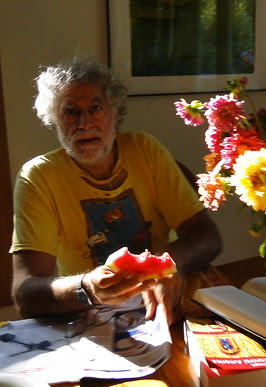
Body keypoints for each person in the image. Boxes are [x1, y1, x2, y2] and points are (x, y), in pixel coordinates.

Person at [9, 56, 222, 322]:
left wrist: (168, 264)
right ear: (54, 122)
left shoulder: (145, 150)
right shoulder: (38, 177)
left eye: (95, 108)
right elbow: (25, 294)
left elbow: (207, 236)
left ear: (115, 113)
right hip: (90, 319)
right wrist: (87, 288)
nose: (84, 123)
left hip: (162, 310)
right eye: (70, 112)